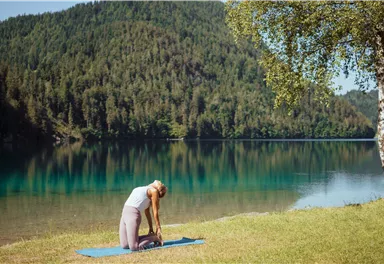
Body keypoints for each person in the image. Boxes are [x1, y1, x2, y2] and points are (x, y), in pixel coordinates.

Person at [119, 180, 167, 250]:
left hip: (133, 215)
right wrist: (151, 228)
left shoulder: (154, 191)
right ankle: (152, 236)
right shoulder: (143, 189)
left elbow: (154, 212)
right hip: (124, 214)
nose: (156, 181)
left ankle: (155, 238)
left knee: (134, 247)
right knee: (125, 245)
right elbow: (147, 213)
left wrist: (158, 227)